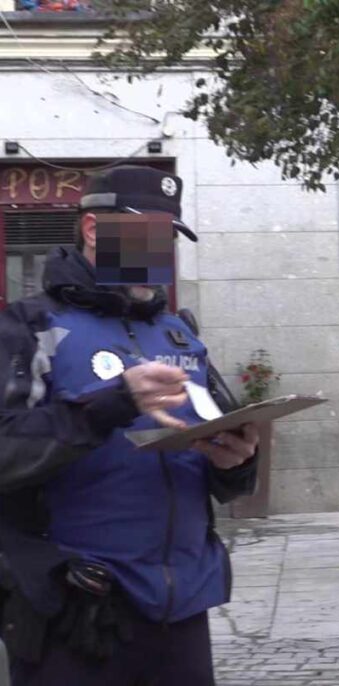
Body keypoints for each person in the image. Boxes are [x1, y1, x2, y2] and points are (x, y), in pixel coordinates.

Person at [0, 165, 259, 685]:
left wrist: (236, 462)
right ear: (95, 230)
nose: (161, 254)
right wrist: (112, 404)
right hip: (76, 605)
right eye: (149, 236)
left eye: (169, 239)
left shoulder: (179, 334)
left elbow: (215, 436)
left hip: (181, 605)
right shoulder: (30, 326)